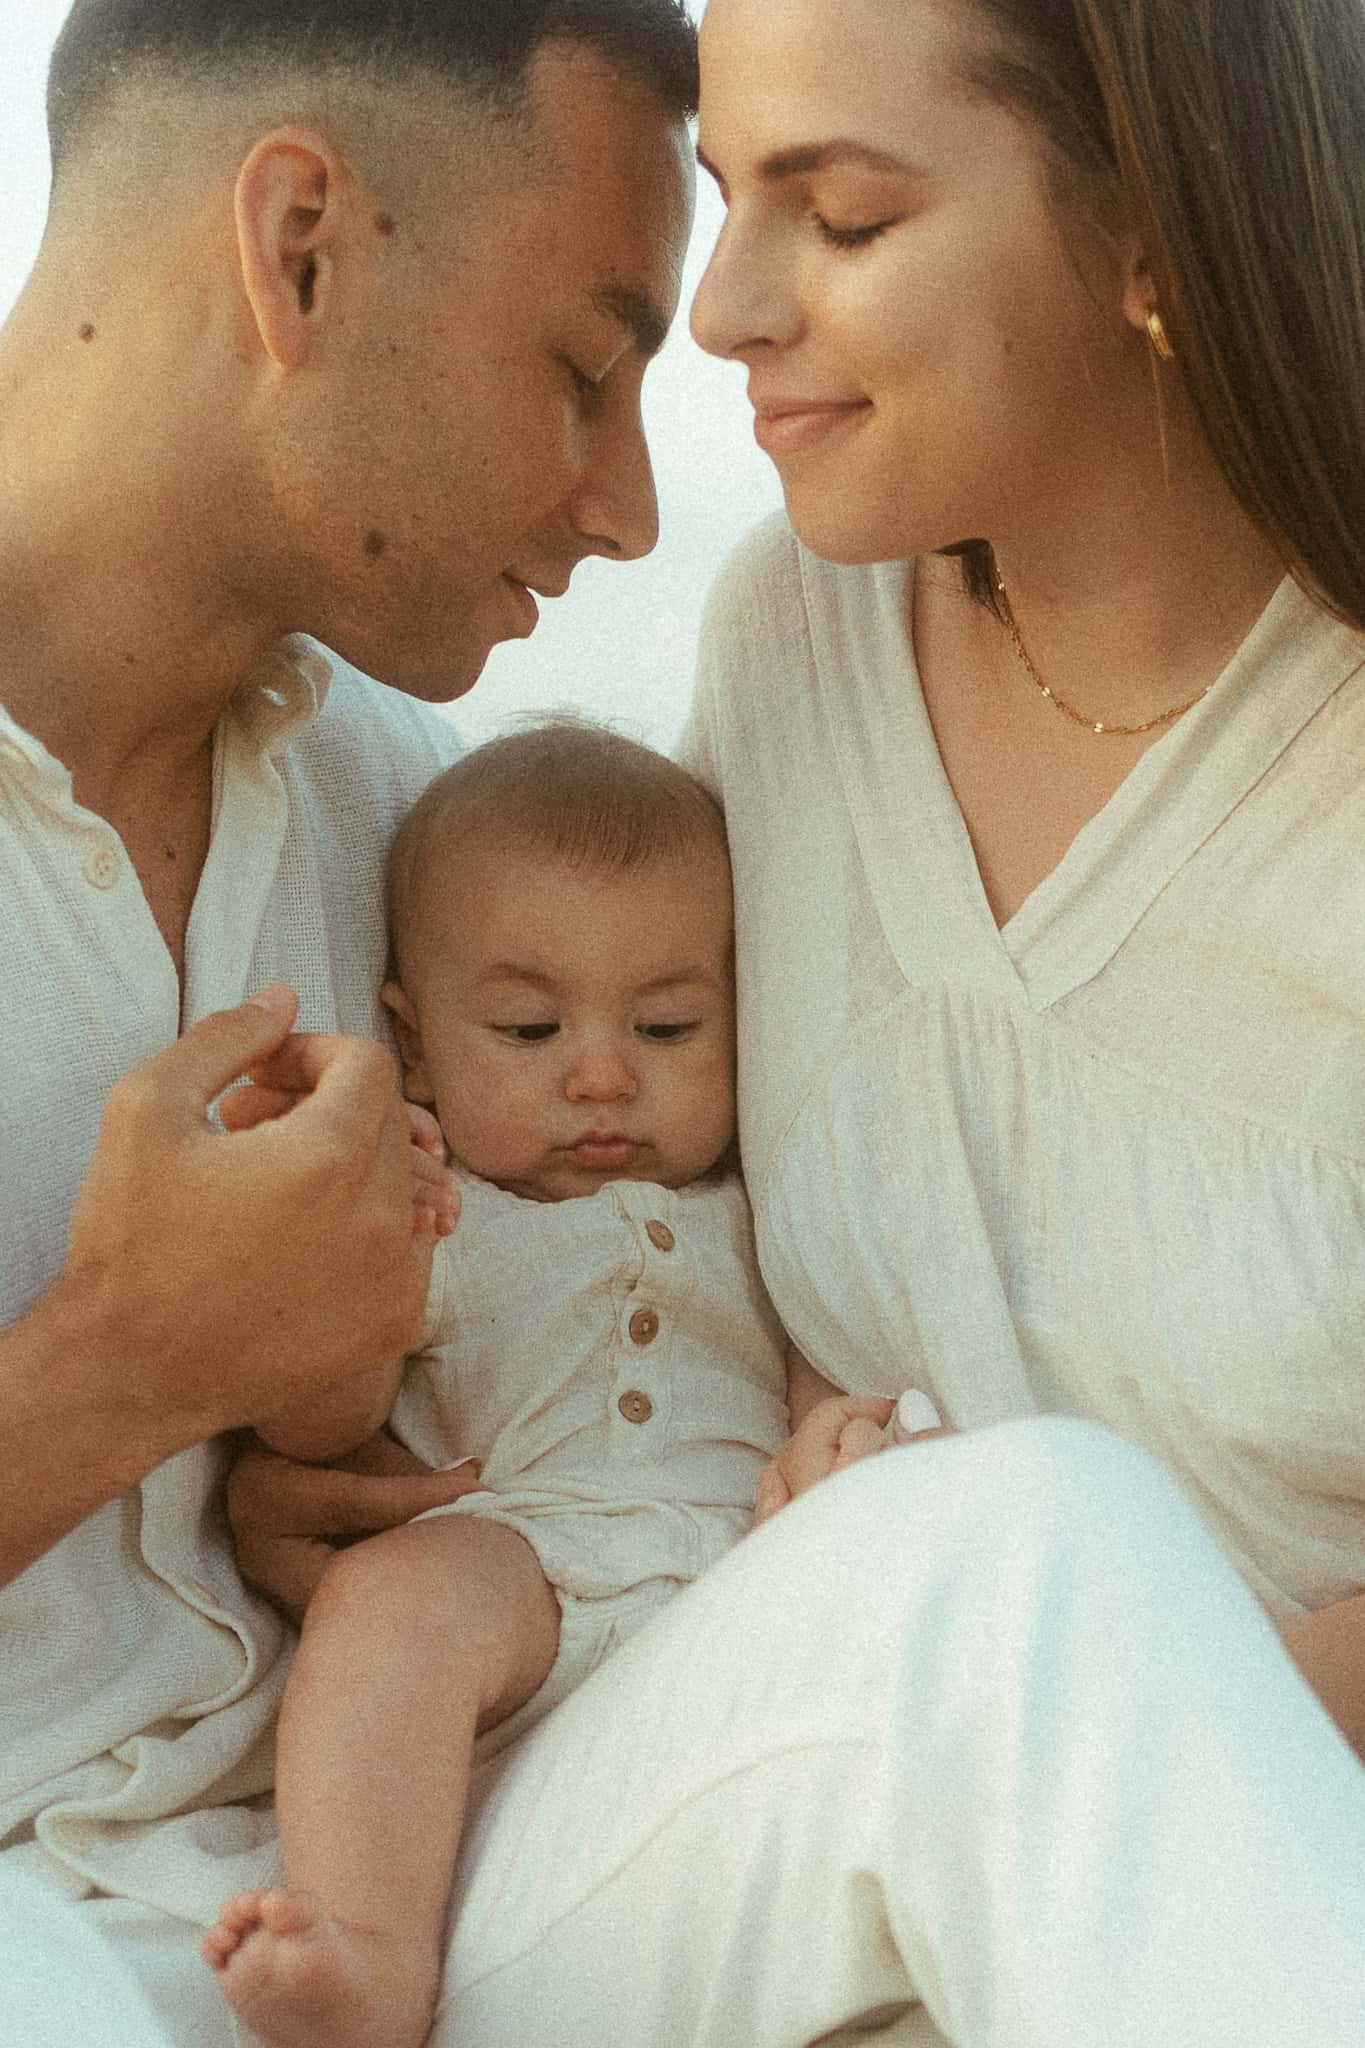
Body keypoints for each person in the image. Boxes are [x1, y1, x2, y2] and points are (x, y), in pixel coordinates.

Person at [228, 0, 1365, 2042]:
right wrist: (324, 1426)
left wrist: (1087, 1762)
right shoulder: (791, 645)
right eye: (722, 203)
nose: (727, 310)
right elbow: (612, 1136)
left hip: (1189, 1879)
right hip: (715, 1828)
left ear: (1154, 244)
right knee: (1023, 1552)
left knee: (1038, 1558)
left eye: (832, 214)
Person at [0, 0, 696, 2036]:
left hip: (411, 1863)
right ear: (299, 245)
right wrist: (114, 1376)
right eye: (583, 371)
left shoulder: (425, 831)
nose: (631, 505)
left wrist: (354, 1464)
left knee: (1024, 1552)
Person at [205, 722, 885, 2048]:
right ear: (410, 1032)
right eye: (526, 1026)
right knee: (386, 1592)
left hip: (733, 1578)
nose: (599, 1073)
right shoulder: (440, 1216)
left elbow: (828, 1351)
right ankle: (366, 1951)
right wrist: (353, 1219)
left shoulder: (760, 1202)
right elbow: (320, 1431)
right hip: (521, 1571)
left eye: (668, 1024)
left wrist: (831, 1448)